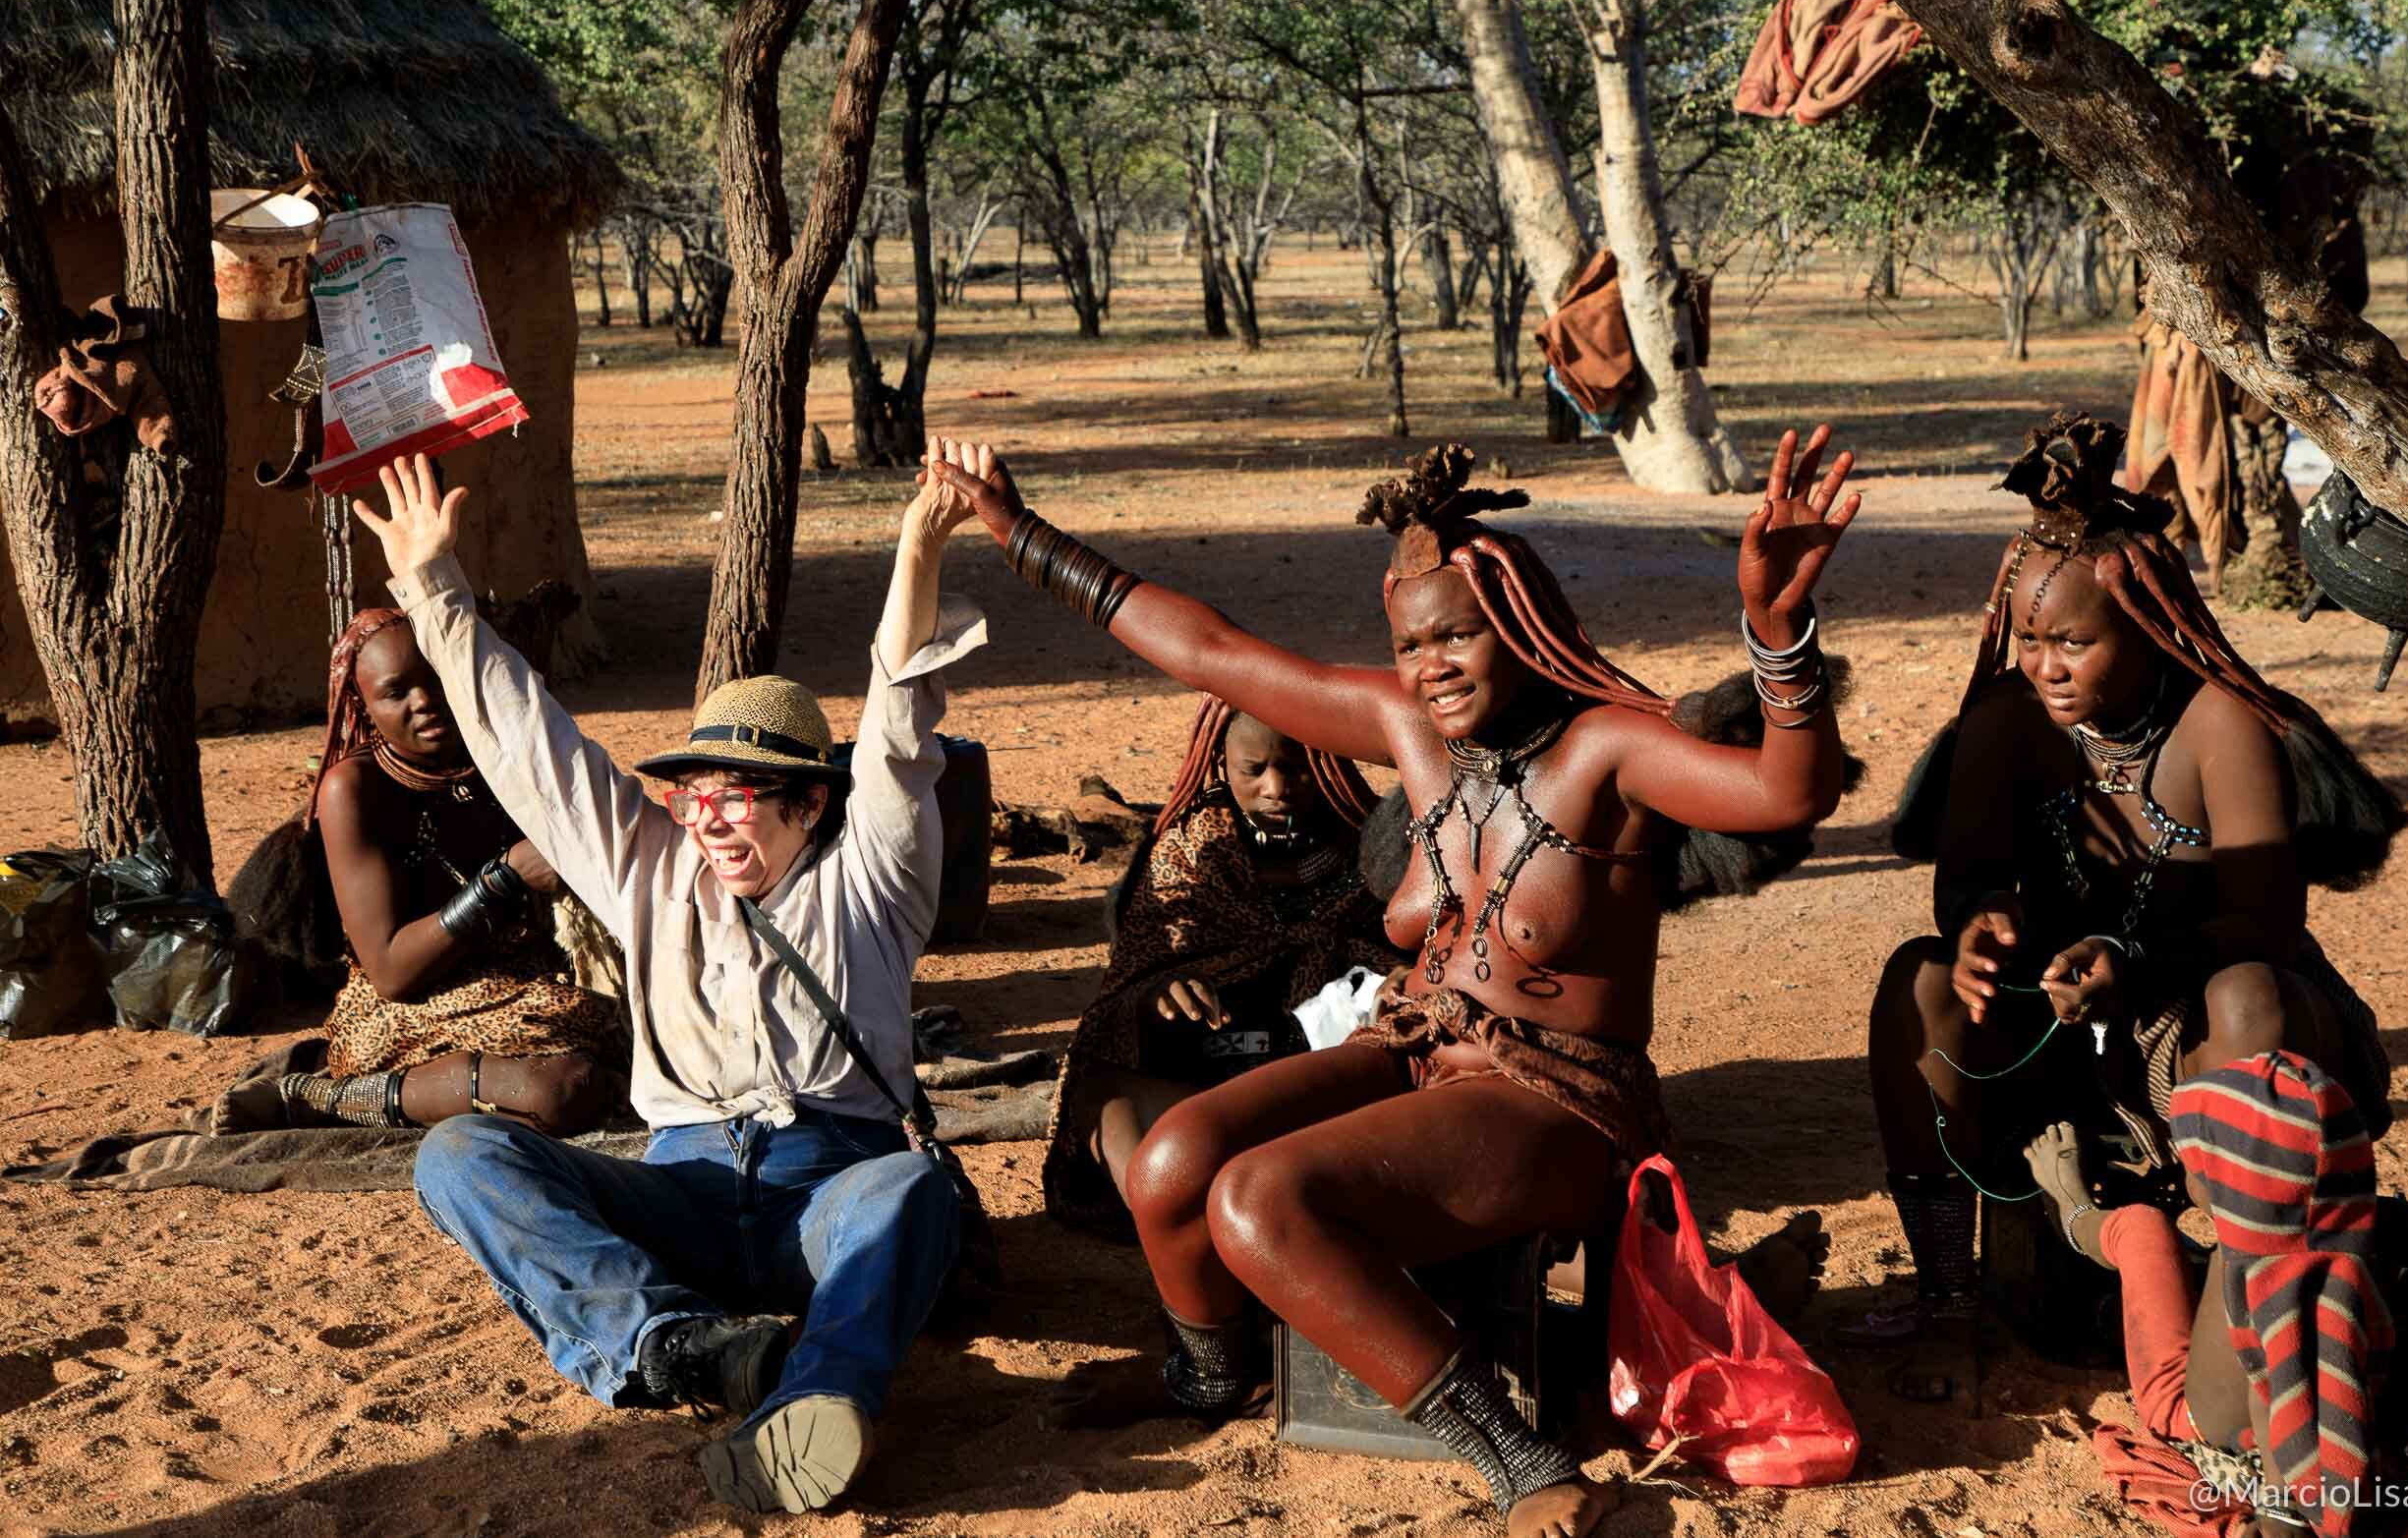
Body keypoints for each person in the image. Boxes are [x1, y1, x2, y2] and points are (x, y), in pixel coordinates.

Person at [931, 433, 1856, 1538]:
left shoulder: (1608, 750)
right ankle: (1209, 1373)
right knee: (1173, 1160)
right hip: (1414, 1049)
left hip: (1556, 1098)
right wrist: (1022, 536)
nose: (1431, 664)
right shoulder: (1412, 734)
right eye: (1411, 643)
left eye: (1456, 633)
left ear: (1518, 624)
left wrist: (1775, 631)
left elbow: (1781, 795)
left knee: (1258, 1196)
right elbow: (1209, 651)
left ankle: (1517, 1457)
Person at [358, 446, 985, 1516]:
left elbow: (894, 725)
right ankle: (681, 1346)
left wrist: (917, 545)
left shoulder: (873, 878)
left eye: (740, 792)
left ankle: (819, 1399)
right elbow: (529, 741)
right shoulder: (649, 866)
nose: (707, 815)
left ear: (808, 807)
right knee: (460, 1150)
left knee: (913, 1190)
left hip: (831, 1192)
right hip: (683, 1188)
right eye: (695, 791)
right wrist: (434, 588)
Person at [1865, 410, 2405, 1408]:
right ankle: (1948, 1299)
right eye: (2028, 639)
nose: (2046, 665)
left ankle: (2250, 1313)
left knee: (2247, 995)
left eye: (2074, 640)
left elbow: (2265, 920)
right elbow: (1962, 882)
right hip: (2058, 1018)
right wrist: (1981, 923)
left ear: (2147, 628)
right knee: (1919, 979)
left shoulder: (2220, 725)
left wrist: (2134, 955)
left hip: (2199, 1012)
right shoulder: (2003, 724)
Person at [212, 607, 624, 1136]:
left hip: (536, 981)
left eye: (436, 679)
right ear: (363, 704)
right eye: (396, 692)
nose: (425, 701)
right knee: (562, 1090)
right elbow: (392, 971)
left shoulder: (504, 757)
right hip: (414, 1006)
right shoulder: (355, 790)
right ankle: (328, 1098)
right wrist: (503, 879)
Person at [2024, 1055, 2408, 1538]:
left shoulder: (2258, 1295)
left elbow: (2284, 1470)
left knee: (2141, 1230)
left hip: (2211, 1435)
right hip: (2370, 1431)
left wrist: (2278, 1517)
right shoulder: (2380, 1223)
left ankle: (2071, 1203)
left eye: (2194, 1167)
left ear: (2222, 1181)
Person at [1045, 696, 1403, 1235]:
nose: (1277, 788)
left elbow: (1421, 960)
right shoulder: (1189, 850)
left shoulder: (1373, 850)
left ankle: (1247, 1229)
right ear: (1219, 764)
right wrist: (1158, 994)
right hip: (1204, 1084)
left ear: (1330, 760)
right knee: (1103, 1088)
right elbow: (1122, 993)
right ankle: (1187, 1234)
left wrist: (1398, 983)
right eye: (1253, 770)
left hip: (1326, 1089)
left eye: (1298, 767)